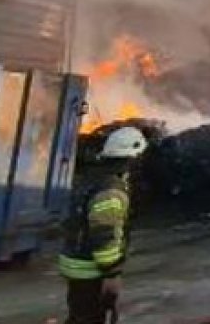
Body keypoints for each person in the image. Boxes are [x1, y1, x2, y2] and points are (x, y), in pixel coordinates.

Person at [58, 126, 147, 324]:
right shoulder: (111, 190)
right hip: (91, 270)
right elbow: (104, 235)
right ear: (131, 158)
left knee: (80, 315)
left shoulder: (93, 179)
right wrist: (112, 274)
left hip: (76, 263)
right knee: (89, 318)